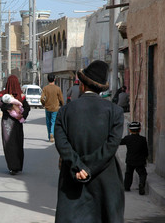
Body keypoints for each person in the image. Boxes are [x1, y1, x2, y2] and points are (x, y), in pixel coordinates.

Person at [54, 60, 125, 223]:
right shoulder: (116, 112)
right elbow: (112, 145)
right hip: (105, 179)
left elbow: (61, 143)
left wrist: (78, 166)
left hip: (73, 179)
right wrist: (89, 167)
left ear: (82, 85)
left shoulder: (65, 111)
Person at [0, 75, 30, 175]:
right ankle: (15, 166)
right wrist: (21, 115)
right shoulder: (9, 97)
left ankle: (14, 166)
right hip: (15, 123)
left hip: (7, 123)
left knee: (10, 144)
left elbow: (1, 106)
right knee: (17, 143)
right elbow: (27, 108)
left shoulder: (6, 96)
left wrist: (21, 115)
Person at [120, 121, 148, 195]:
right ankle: (141, 184)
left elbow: (119, 142)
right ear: (139, 130)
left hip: (130, 160)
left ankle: (126, 187)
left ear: (129, 130)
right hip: (140, 161)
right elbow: (145, 151)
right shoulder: (143, 139)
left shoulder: (127, 138)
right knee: (142, 173)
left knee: (128, 174)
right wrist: (145, 159)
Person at [40, 74, 64, 142]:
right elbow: (61, 99)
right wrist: (62, 105)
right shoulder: (58, 88)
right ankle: (52, 134)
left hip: (47, 107)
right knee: (53, 121)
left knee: (48, 122)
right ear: (54, 79)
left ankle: (49, 136)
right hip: (55, 108)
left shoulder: (45, 88)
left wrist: (43, 104)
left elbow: (42, 98)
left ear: (48, 79)